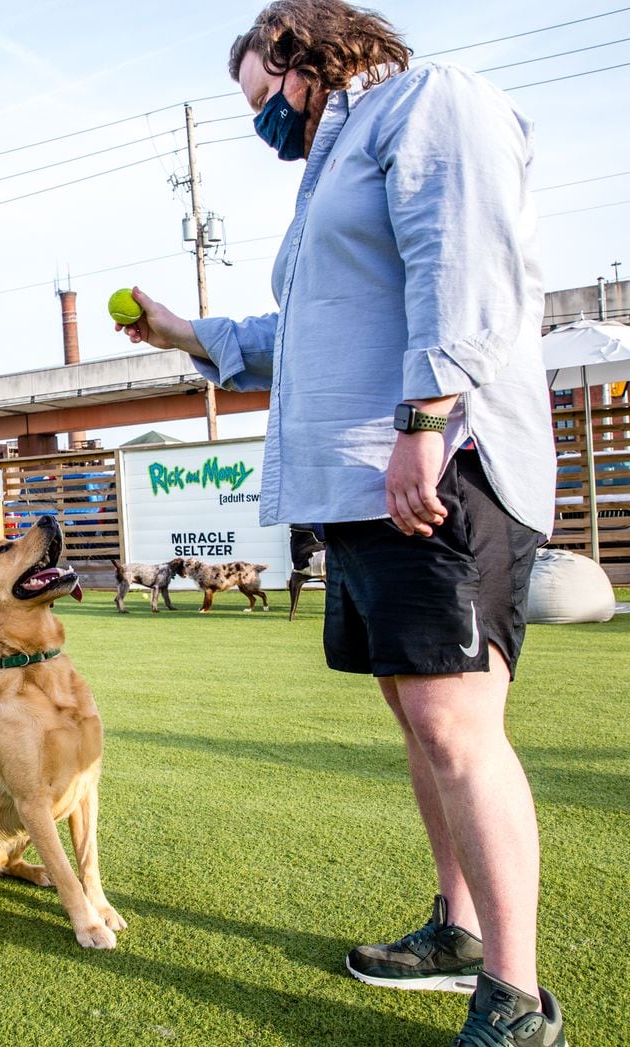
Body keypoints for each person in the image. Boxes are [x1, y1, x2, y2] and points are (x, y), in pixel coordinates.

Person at [116, 2, 565, 1043]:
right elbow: (310, 334)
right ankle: (455, 932)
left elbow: (466, 260)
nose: (260, 122)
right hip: (362, 486)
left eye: (258, 97)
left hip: (431, 471)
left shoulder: (425, 103)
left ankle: (515, 996)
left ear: (297, 51)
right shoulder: (331, 172)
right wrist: (189, 332)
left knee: (456, 725)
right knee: (421, 724)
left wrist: (426, 417)